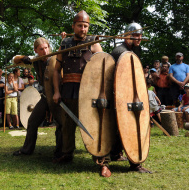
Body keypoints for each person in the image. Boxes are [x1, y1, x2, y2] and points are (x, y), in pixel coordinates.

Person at [53, 11, 109, 174]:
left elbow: (103, 69)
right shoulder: (64, 43)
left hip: (88, 92)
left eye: (85, 26)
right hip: (68, 89)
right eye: (79, 25)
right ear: (73, 26)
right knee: (67, 126)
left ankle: (101, 161)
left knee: (92, 126)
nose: (82, 29)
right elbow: (57, 70)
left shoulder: (94, 43)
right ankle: (67, 154)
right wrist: (57, 91)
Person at [109, 22, 152, 175]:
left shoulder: (131, 50)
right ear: (127, 36)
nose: (139, 38)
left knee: (119, 127)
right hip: (122, 96)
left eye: (140, 35)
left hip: (124, 96)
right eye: (135, 35)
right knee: (130, 128)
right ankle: (135, 164)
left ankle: (115, 153)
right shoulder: (121, 51)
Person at [12, 37, 63, 158]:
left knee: (61, 124)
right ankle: (26, 150)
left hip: (58, 97)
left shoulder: (56, 58)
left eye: (46, 48)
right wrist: (25, 59)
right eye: (41, 49)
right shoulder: (35, 60)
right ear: (36, 50)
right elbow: (15, 59)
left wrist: (63, 40)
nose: (45, 51)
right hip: (45, 97)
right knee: (32, 121)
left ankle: (60, 152)